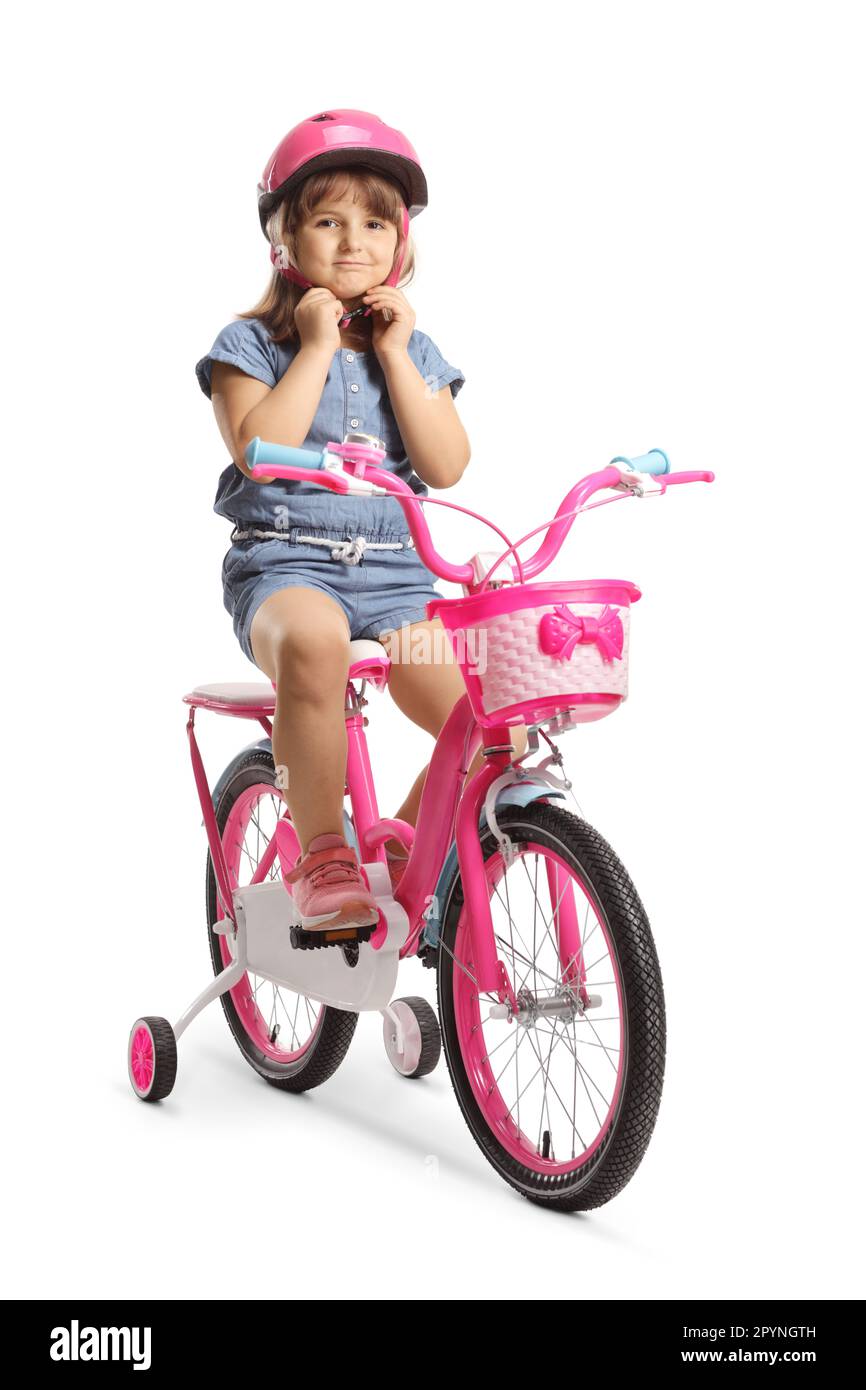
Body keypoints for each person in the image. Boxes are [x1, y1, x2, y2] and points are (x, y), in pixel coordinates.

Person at [195, 108, 525, 934]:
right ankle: (323, 855)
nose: (354, 242)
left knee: (492, 720)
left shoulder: (412, 350)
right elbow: (257, 444)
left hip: (397, 579)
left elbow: (446, 465)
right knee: (315, 647)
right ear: (284, 238)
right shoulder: (251, 344)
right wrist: (312, 346)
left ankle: (411, 852)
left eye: (376, 223)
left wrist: (394, 351)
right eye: (328, 221)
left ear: (402, 243)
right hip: (287, 566)